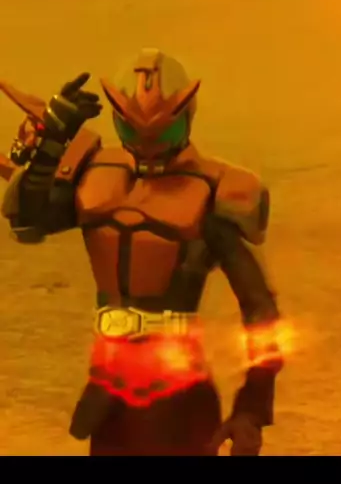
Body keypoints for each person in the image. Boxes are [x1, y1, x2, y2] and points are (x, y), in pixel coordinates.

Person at [0, 49, 284, 456]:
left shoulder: (209, 192)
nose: (149, 147)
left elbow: (260, 311)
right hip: (109, 394)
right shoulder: (96, 176)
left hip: (179, 397)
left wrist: (252, 408)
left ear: (186, 118)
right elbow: (28, 222)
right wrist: (50, 143)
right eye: (133, 132)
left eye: (164, 134)